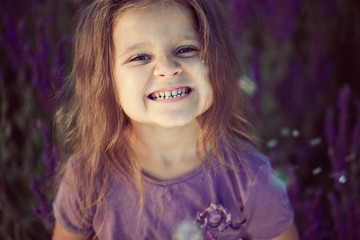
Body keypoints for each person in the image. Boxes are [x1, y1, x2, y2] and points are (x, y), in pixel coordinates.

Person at [52, 0, 300, 239]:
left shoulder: (251, 178)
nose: (168, 67)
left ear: (216, 62)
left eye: (186, 49)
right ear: (107, 81)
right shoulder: (87, 178)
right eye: (140, 57)